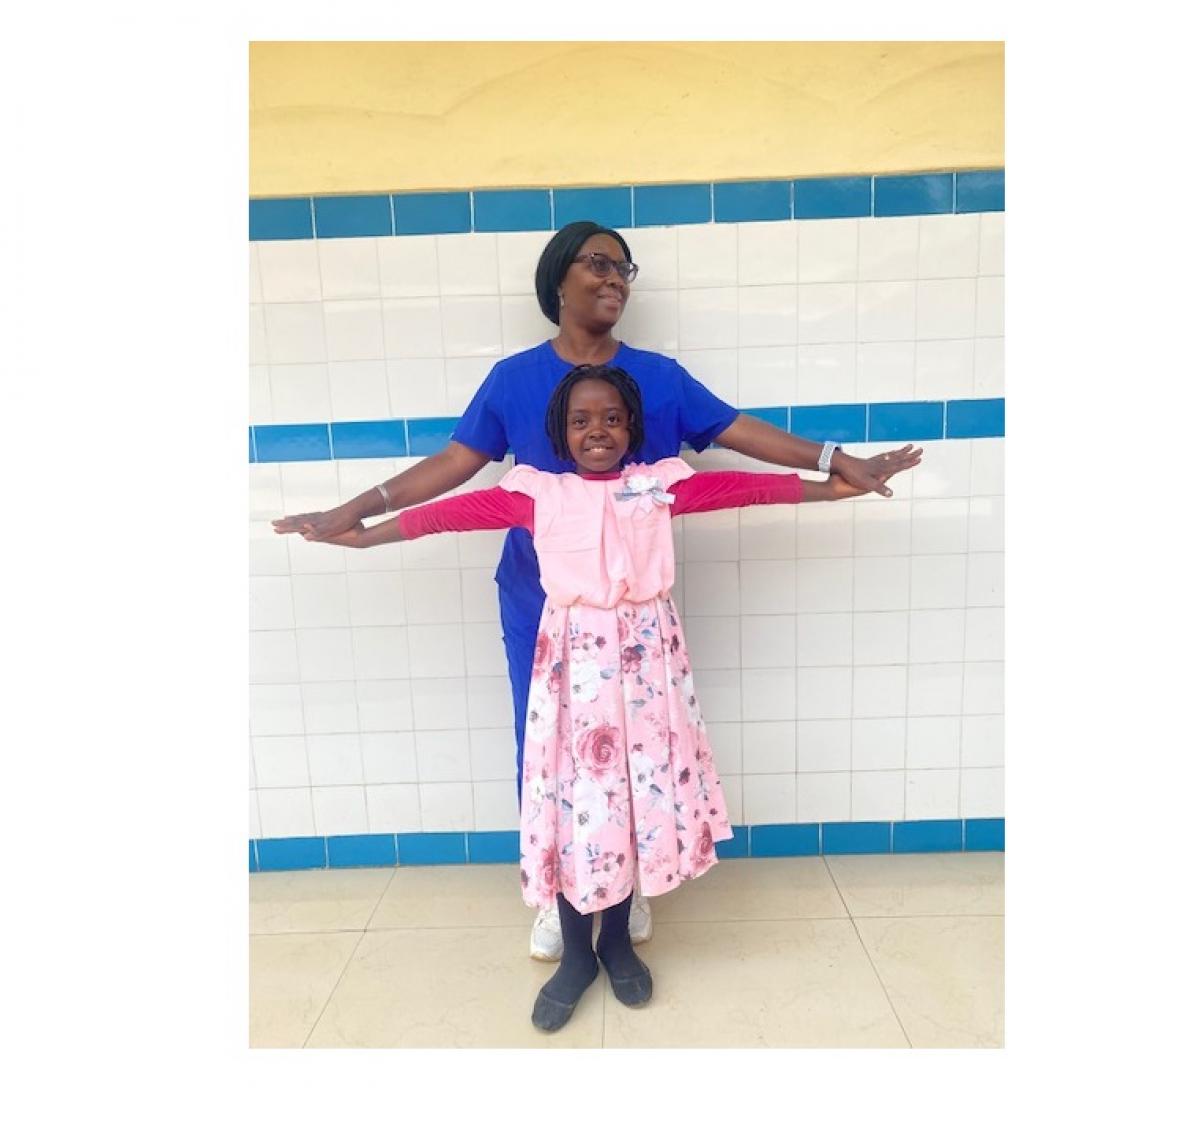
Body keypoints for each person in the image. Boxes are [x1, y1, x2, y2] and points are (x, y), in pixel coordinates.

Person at [272, 220, 922, 960]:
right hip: (540, 604)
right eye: (599, 264)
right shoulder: (514, 379)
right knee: (549, 748)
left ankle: (627, 880)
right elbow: (453, 472)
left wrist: (838, 464)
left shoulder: (659, 377)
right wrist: (355, 512)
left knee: (637, 746)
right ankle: (561, 893)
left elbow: (740, 443)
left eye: (625, 268)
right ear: (559, 278)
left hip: (635, 619)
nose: (616, 279)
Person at [319, 364, 919, 1030]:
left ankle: (615, 942)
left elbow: (747, 487)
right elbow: (442, 516)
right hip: (571, 672)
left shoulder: (656, 487)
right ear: (560, 432)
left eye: (610, 417)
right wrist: (360, 533)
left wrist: (839, 487)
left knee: (634, 791)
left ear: (632, 426)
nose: (597, 430)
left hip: (645, 667)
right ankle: (577, 951)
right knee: (575, 800)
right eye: (581, 420)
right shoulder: (536, 494)